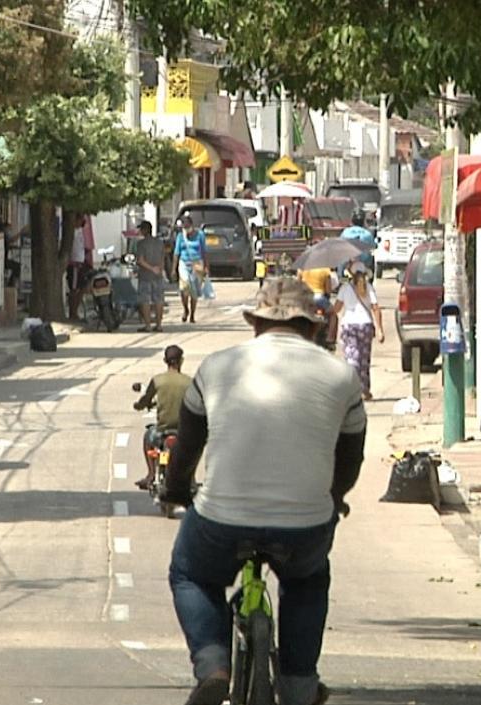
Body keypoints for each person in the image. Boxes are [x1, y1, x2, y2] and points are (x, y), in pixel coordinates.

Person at [161, 278, 367, 705]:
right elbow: (349, 462)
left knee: (191, 573)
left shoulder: (215, 367)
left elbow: (186, 448)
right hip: (305, 525)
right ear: (313, 327)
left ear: (254, 322)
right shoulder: (342, 377)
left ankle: (214, 664)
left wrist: (176, 490)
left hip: (221, 520)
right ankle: (299, 687)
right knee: (307, 581)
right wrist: (333, 498)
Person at [132, 345, 191, 489]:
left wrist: (138, 405)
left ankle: (151, 475)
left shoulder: (158, 380)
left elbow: (145, 400)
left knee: (148, 437)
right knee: (193, 450)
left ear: (165, 361)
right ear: (181, 361)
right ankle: (192, 478)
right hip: (182, 433)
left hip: (162, 431)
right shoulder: (189, 382)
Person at [333, 263, 385, 400]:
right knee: (364, 360)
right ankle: (364, 390)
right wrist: (379, 329)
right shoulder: (369, 288)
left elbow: (336, 308)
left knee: (352, 359)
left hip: (349, 325)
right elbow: (376, 308)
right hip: (366, 325)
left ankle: (353, 390)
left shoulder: (345, 288)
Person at [173, 216, 208, 324]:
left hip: (197, 264)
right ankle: (185, 309)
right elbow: (176, 253)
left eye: (187, 225)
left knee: (194, 291)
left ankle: (192, 314)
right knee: (184, 288)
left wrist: (206, 267)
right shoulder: (180, 236)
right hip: (184, 263)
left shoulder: (200, 235)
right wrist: (173, 269)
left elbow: (204, 251)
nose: (186, 228)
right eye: (184, 226)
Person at [134, 220, 167, 332]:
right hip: (158, 275)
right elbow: (163, 258)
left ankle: (148, 325)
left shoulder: (141, 244)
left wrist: (151, 268)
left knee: (145, 300)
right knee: (159, 300)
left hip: (145, 276)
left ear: (145, 230)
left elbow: (141, 260)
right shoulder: (160, 243)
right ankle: (159, 325)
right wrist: (159, 269)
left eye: (141, 229)